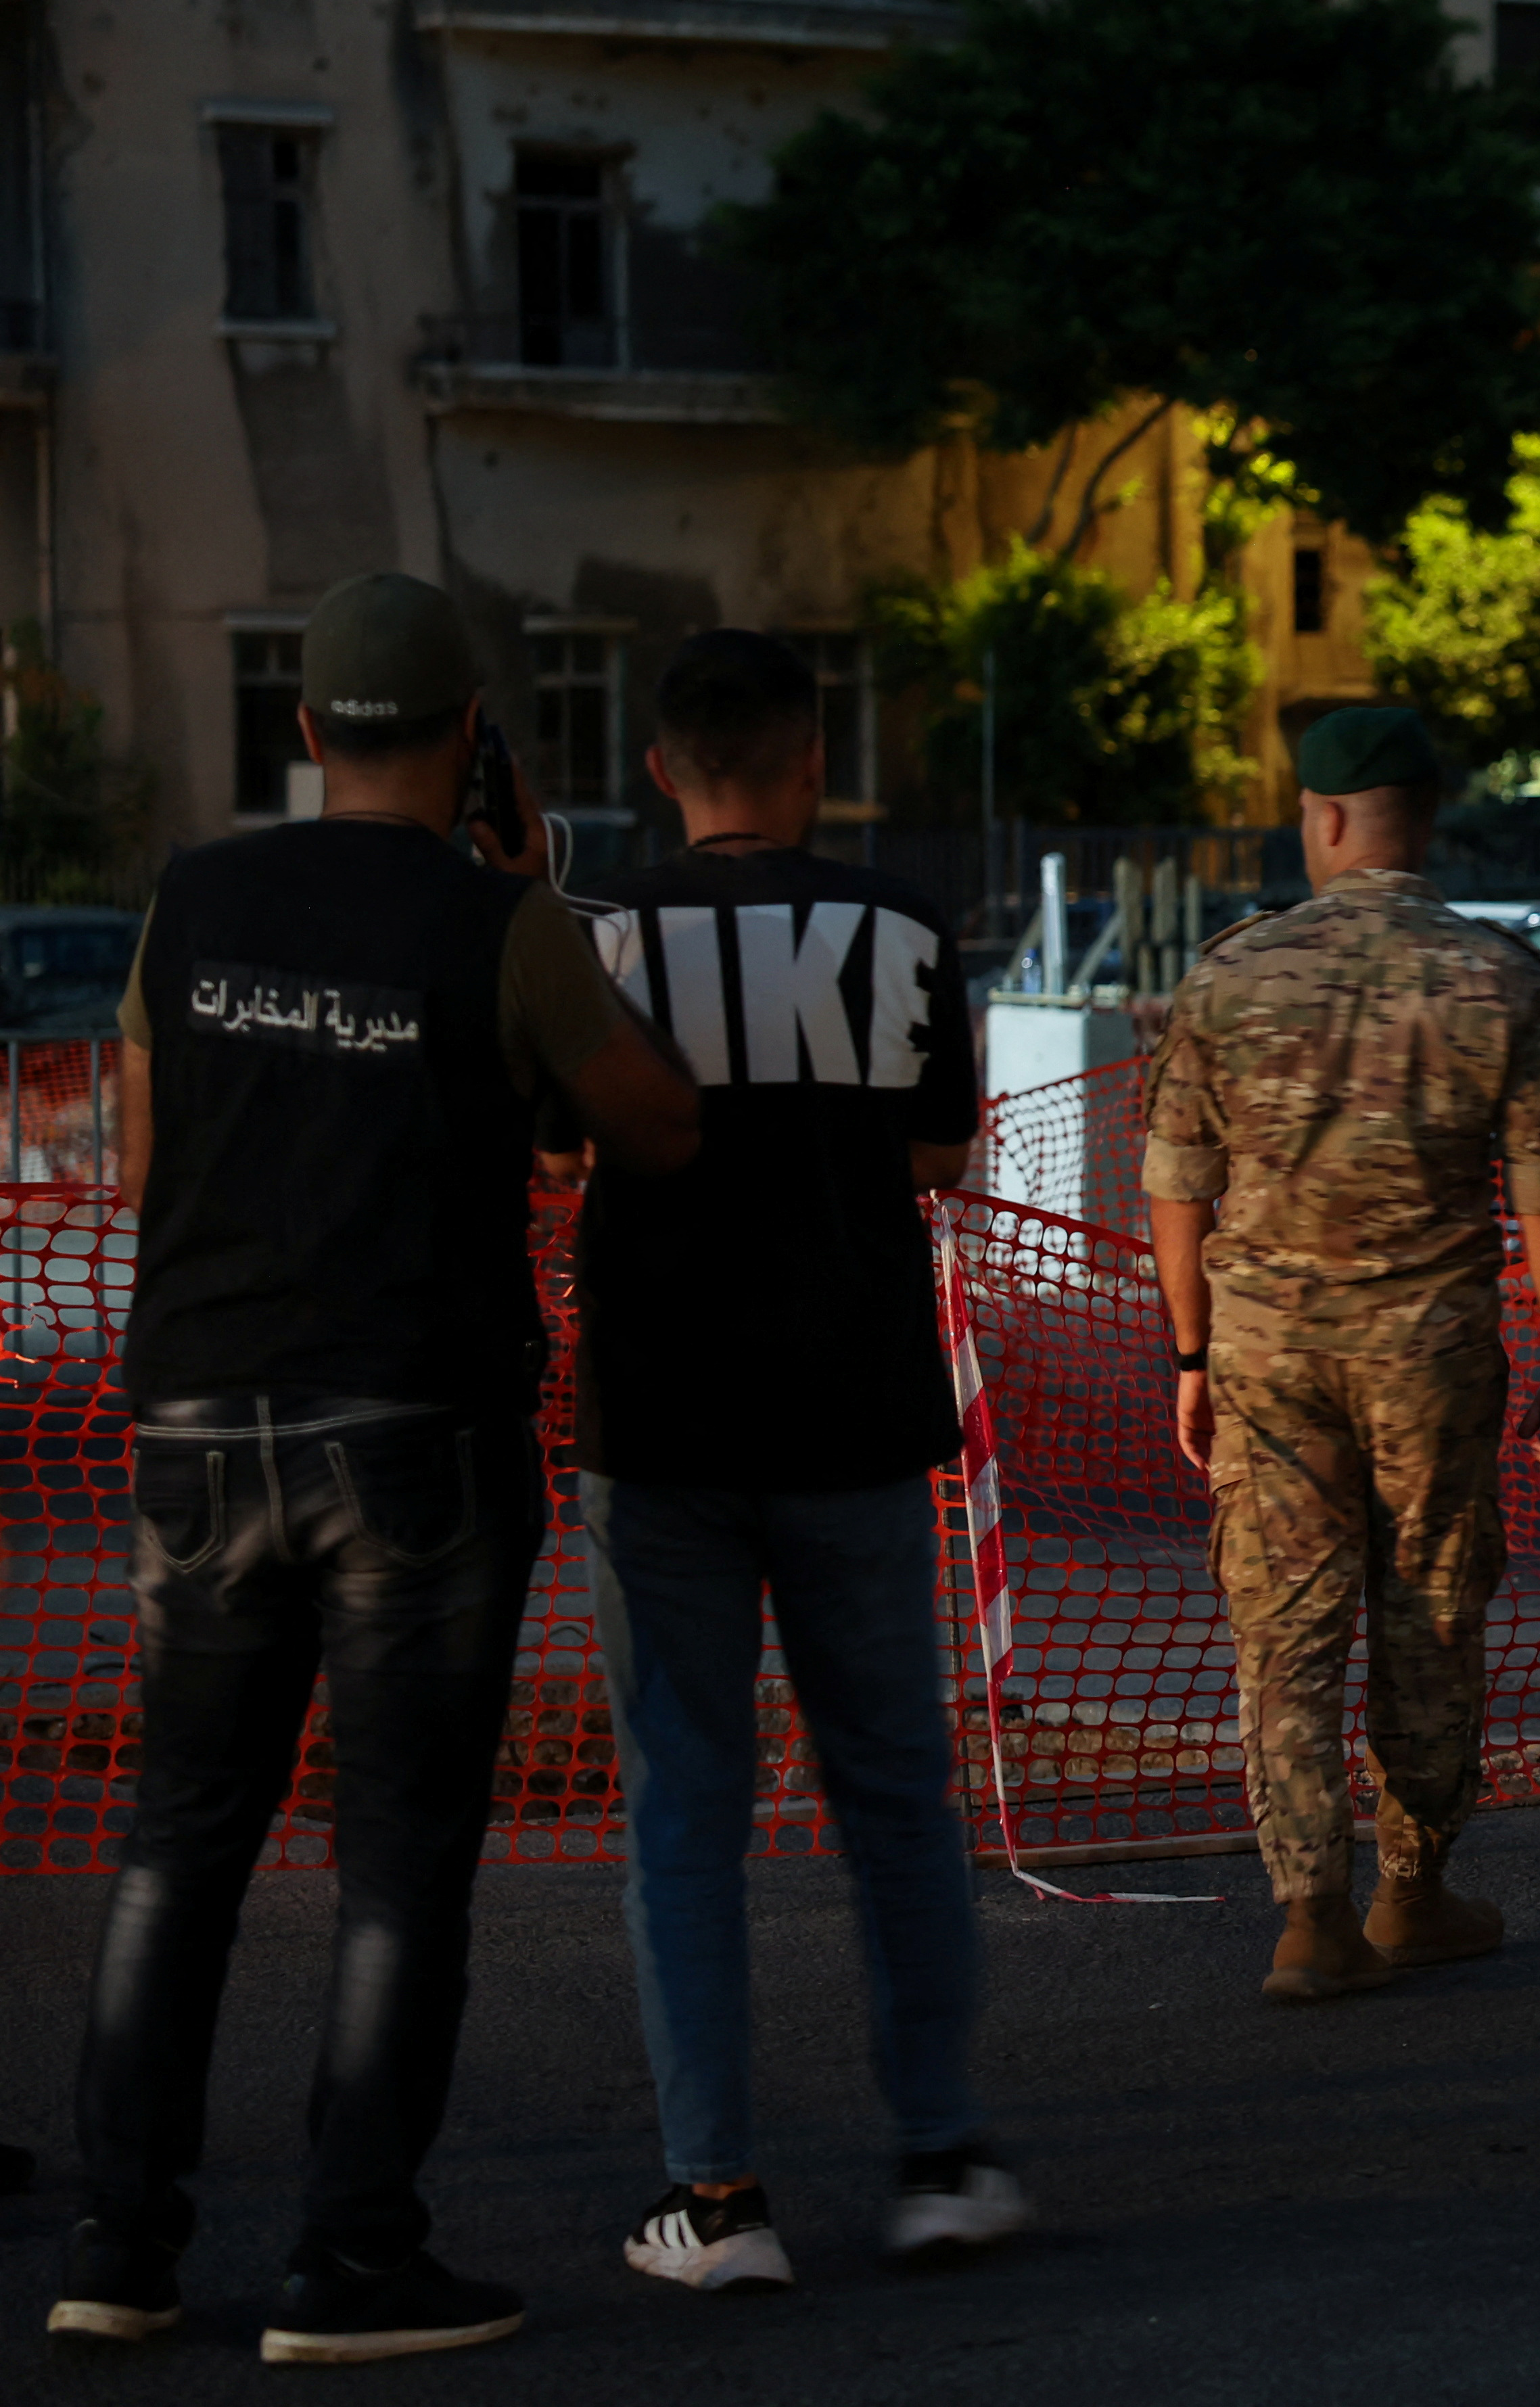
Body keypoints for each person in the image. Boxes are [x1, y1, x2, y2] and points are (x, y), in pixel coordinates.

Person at [55, 574, 697, 2360]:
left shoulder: (190, 896)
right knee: (398, 1867)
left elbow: (138, 1162)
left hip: (196, 1419)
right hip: (415, 1430)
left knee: (175, 1845)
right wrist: (538, 896)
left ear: (307, 730)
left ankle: (119, 2243)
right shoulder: (498, 921)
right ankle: (348, 2257)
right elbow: (655, 1124)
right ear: (474, 733)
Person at [561, 631, 1017, 2293]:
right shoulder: (898, 925)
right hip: (855, 1410)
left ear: (664, 769)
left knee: (684, 1805)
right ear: (814, 762)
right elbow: (939, 1145)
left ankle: (721, 2195)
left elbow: (560, 1138)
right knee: (897, 1791)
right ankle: (945, 2155)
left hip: (664, 1421)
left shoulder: (600, 930)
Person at [1144, 707, 1540, 2003]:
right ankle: (1413, 1888)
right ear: (1423, 818)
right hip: (1431, 1352)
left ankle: (1307, 1915)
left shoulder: (1230, 973)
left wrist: (1189, 1351)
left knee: (1284, 1628)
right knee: (1432, 1612)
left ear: (1328, 817)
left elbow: (1176, 1183)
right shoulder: (1497, 977)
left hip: (1267, 1352)